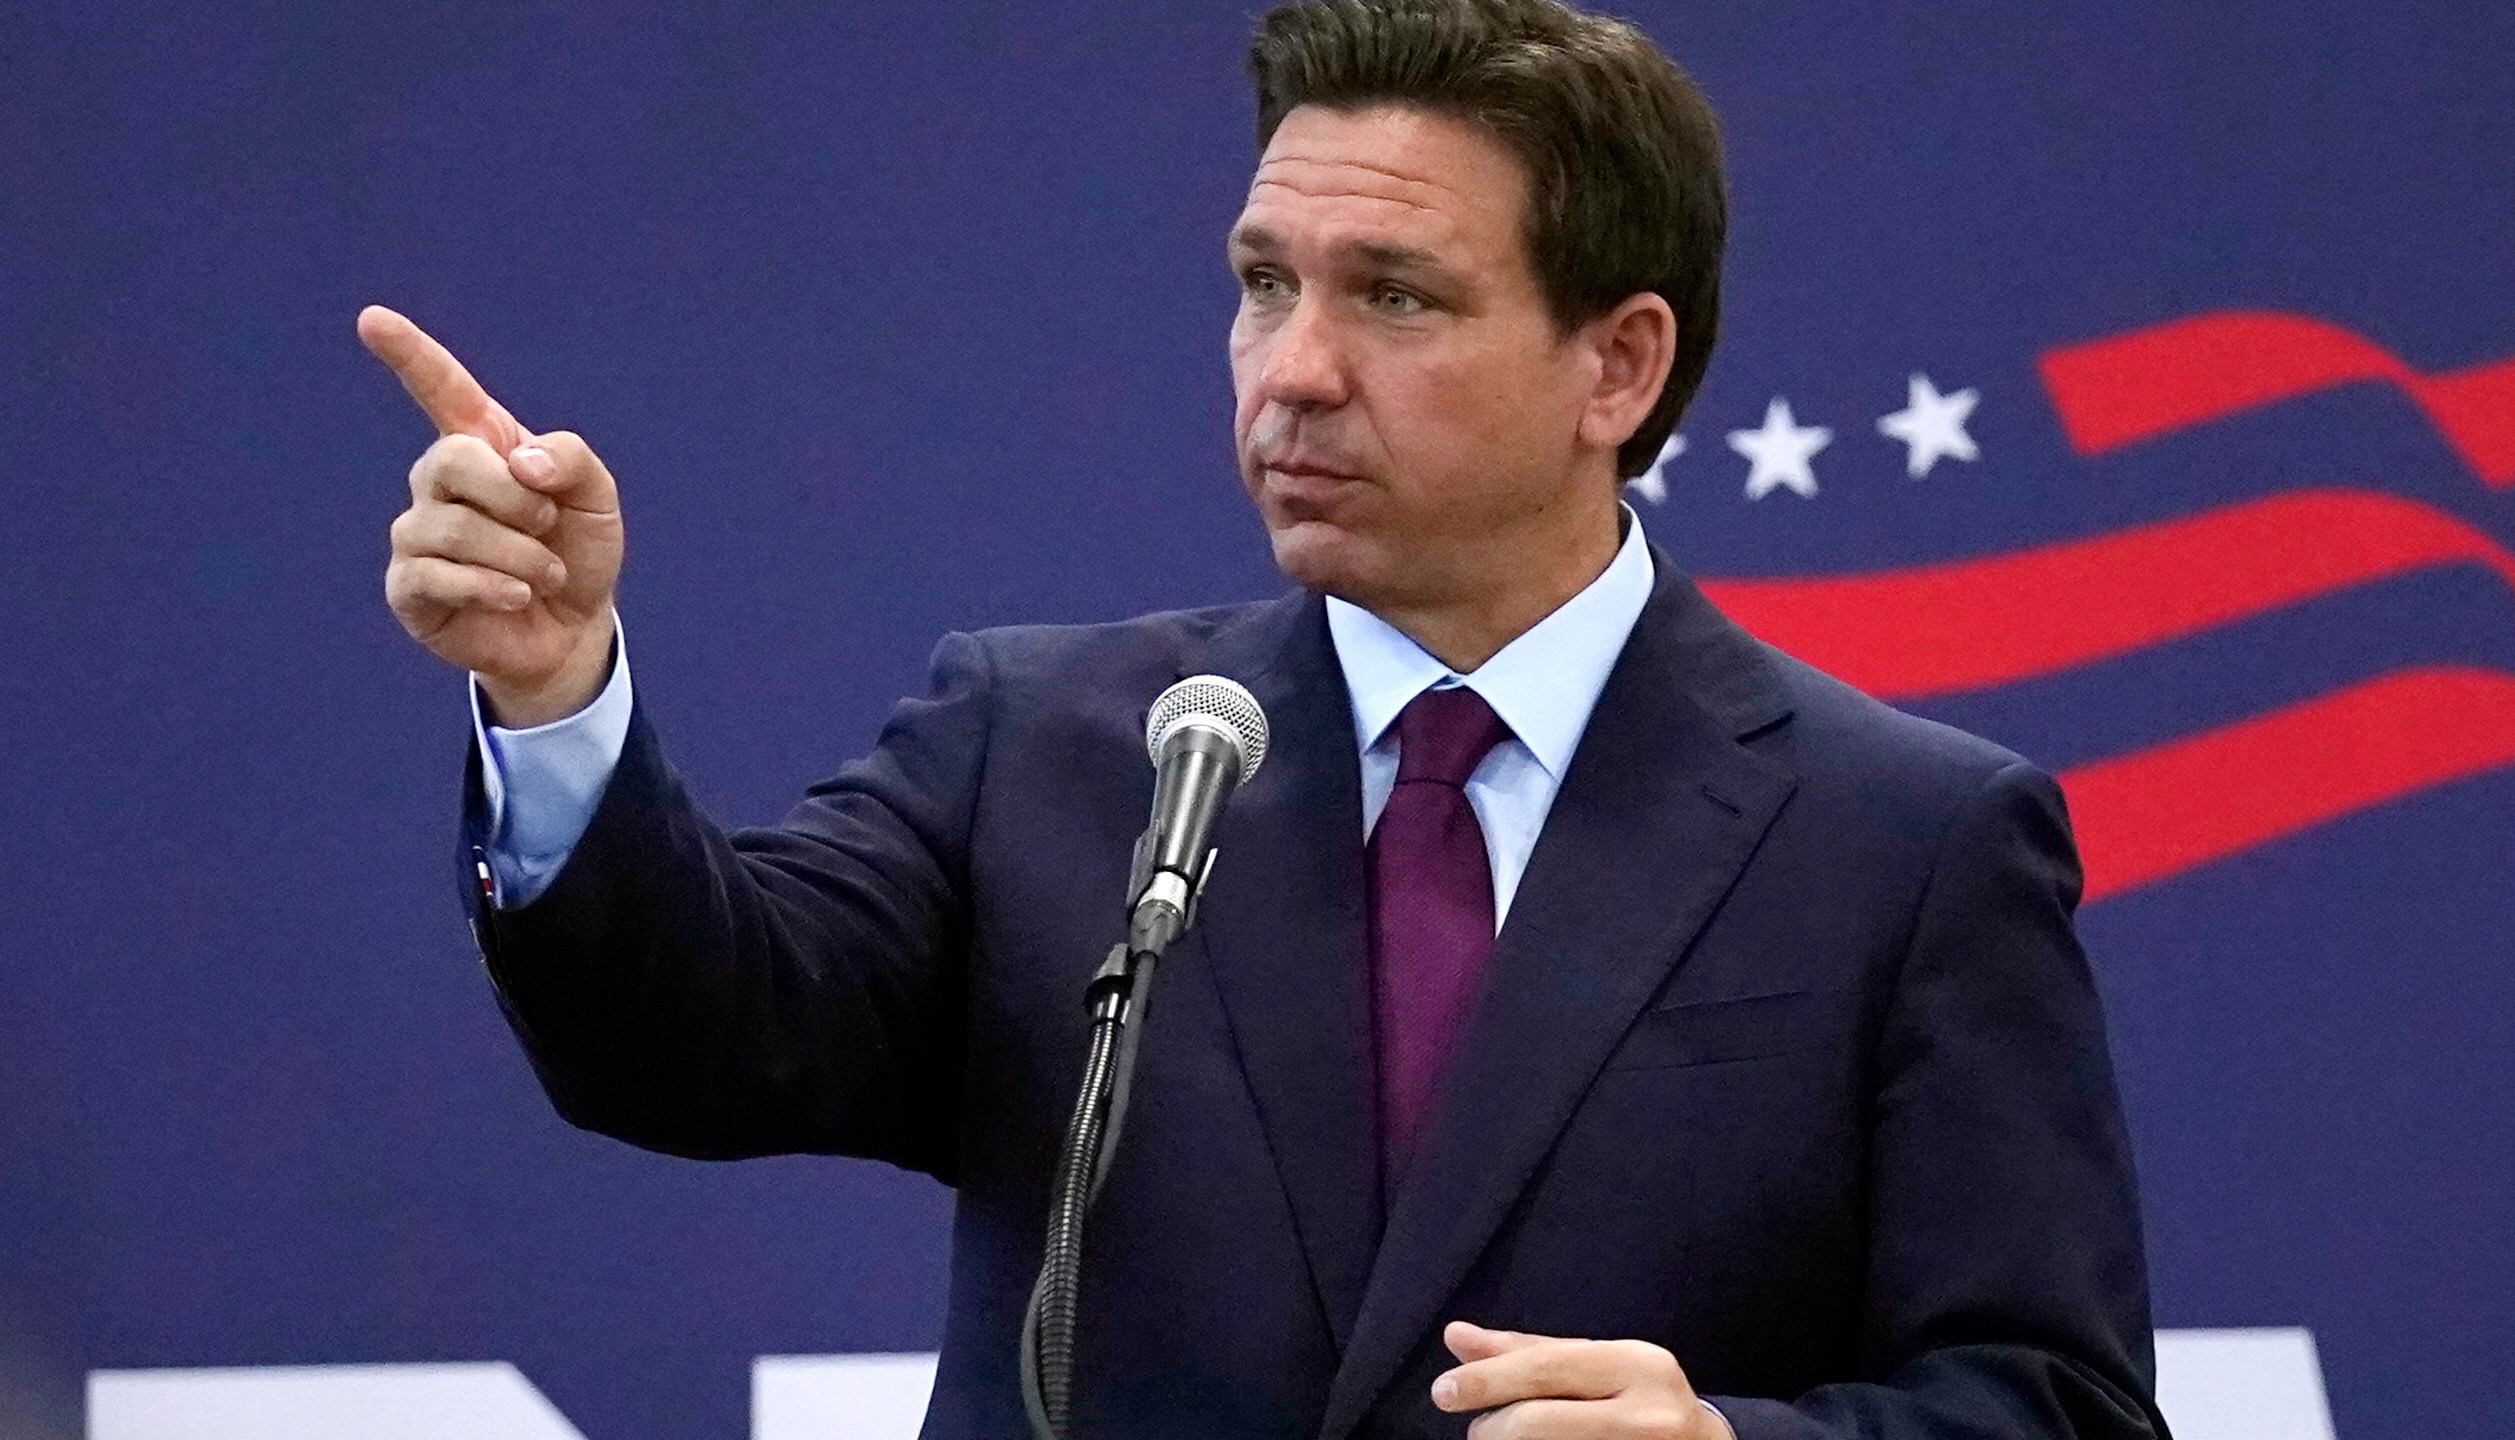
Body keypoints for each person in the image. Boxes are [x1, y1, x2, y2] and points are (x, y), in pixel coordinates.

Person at [362, 1, 2169, 1436]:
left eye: (1393, 297)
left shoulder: (1905, 843)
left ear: (1616, 365)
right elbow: (695, 1035)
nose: (1293, 368)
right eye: (1262, 284)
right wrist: (554, 688)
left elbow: (2057, 1402)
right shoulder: (1052, 743)